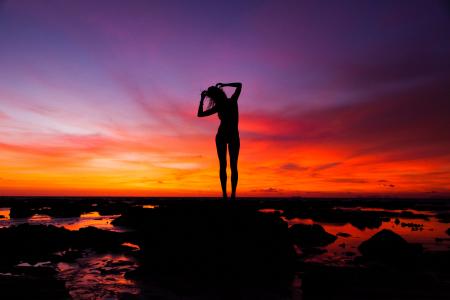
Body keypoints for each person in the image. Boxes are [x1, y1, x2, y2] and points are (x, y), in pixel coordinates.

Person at [197, 82, 242, 200]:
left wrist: (202, 99)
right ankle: (229, 195)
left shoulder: (229, 102)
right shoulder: (231, 101)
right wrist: (225, 84)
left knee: (228, 165)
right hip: (226, 136)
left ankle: (228, 195)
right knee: (229, 165)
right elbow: (200, 115)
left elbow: (200, 114)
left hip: (228, 136)